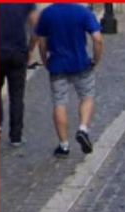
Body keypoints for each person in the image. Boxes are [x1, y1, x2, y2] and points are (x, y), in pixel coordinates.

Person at [36, 4, 103, 157]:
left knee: (59, 103)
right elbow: (98, 39)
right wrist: (96, 59)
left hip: (57, 65)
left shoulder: (47, 13)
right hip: (81, 64)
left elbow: (42, 42)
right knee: (87, 97)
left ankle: (64, 146)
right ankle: (83, 129)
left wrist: (45, 61)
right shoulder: (83, 12)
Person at [0, 3, 39, 147]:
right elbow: (36, 26)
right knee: (16, 95)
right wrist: (31, 48)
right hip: (18, 52)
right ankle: (16, 136)